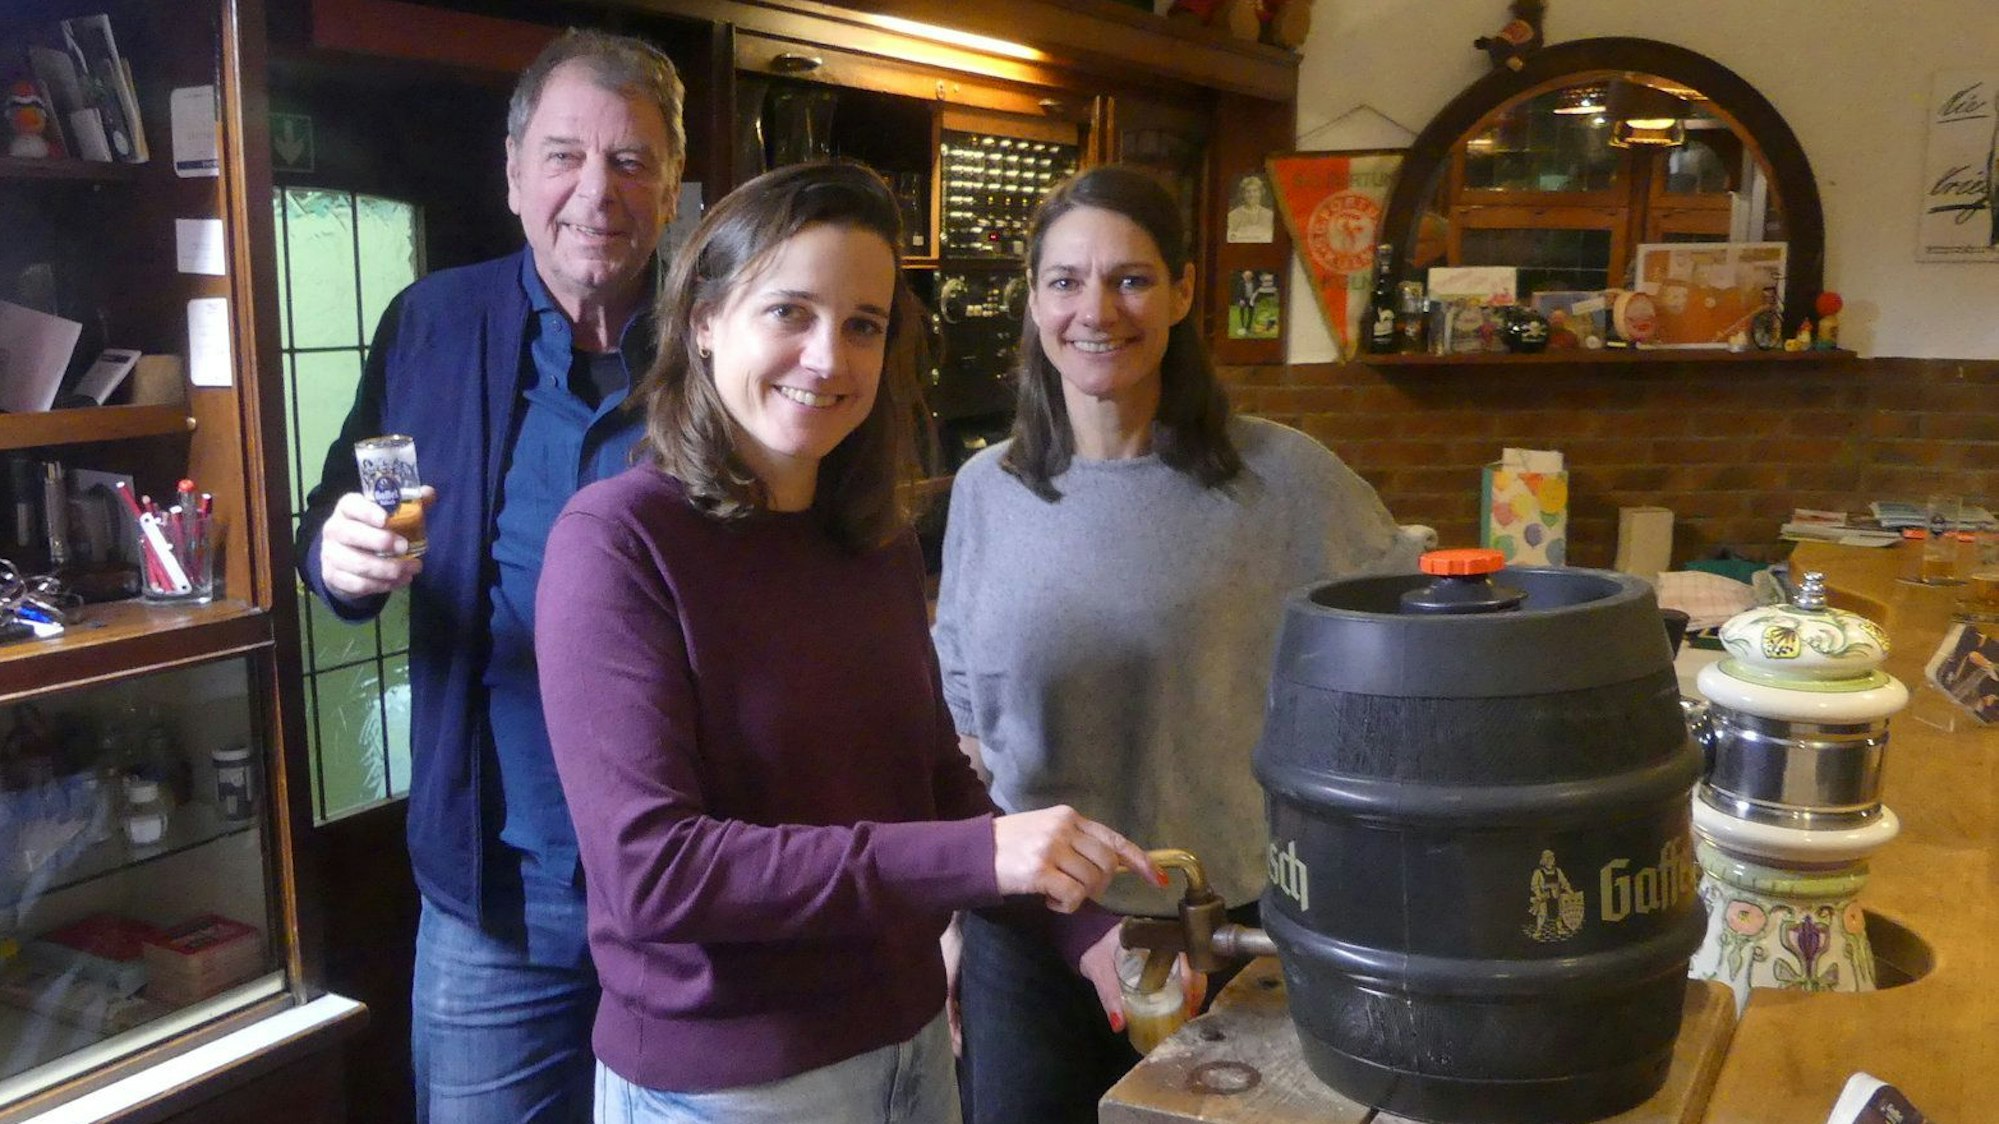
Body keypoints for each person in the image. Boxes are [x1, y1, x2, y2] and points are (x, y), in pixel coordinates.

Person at [533, 160, 1164, 1124]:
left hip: (910, 1047)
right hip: (732, 1084)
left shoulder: (867, 539)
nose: (828, 358)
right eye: (789, 312)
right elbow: (657, 874)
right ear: (704, 323)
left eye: (863, 324)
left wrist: (1080, 922)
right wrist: (980, 856)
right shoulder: (617, 542)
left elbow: (926, 777)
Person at [932, 164, 1420, 1124]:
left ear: (1184, 292)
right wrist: (954, 918)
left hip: (1219, 931)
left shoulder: (1280, 480)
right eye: (1065, 281)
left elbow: (1402, 651)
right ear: (1032, 302)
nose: (1096, 309)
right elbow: (967, 731)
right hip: (1031, 933)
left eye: (1131, 278)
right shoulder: (986, 490)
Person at [293, 29, 685, 1123]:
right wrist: (338, 554)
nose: (595, 192)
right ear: (513, 175)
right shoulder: (432, 326)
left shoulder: (720, 345)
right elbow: (367, 499)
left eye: (630, 161)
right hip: (492, 897)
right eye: (563, 155)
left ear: (670, 186)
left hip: (685, 895)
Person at [1225, 172, 1274, 243]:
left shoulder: (1269, 215)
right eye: (1248, 192)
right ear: (1243, 194)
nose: (1252, 195)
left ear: (1261, 193)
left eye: (1255, 191)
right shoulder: (1232, 216)